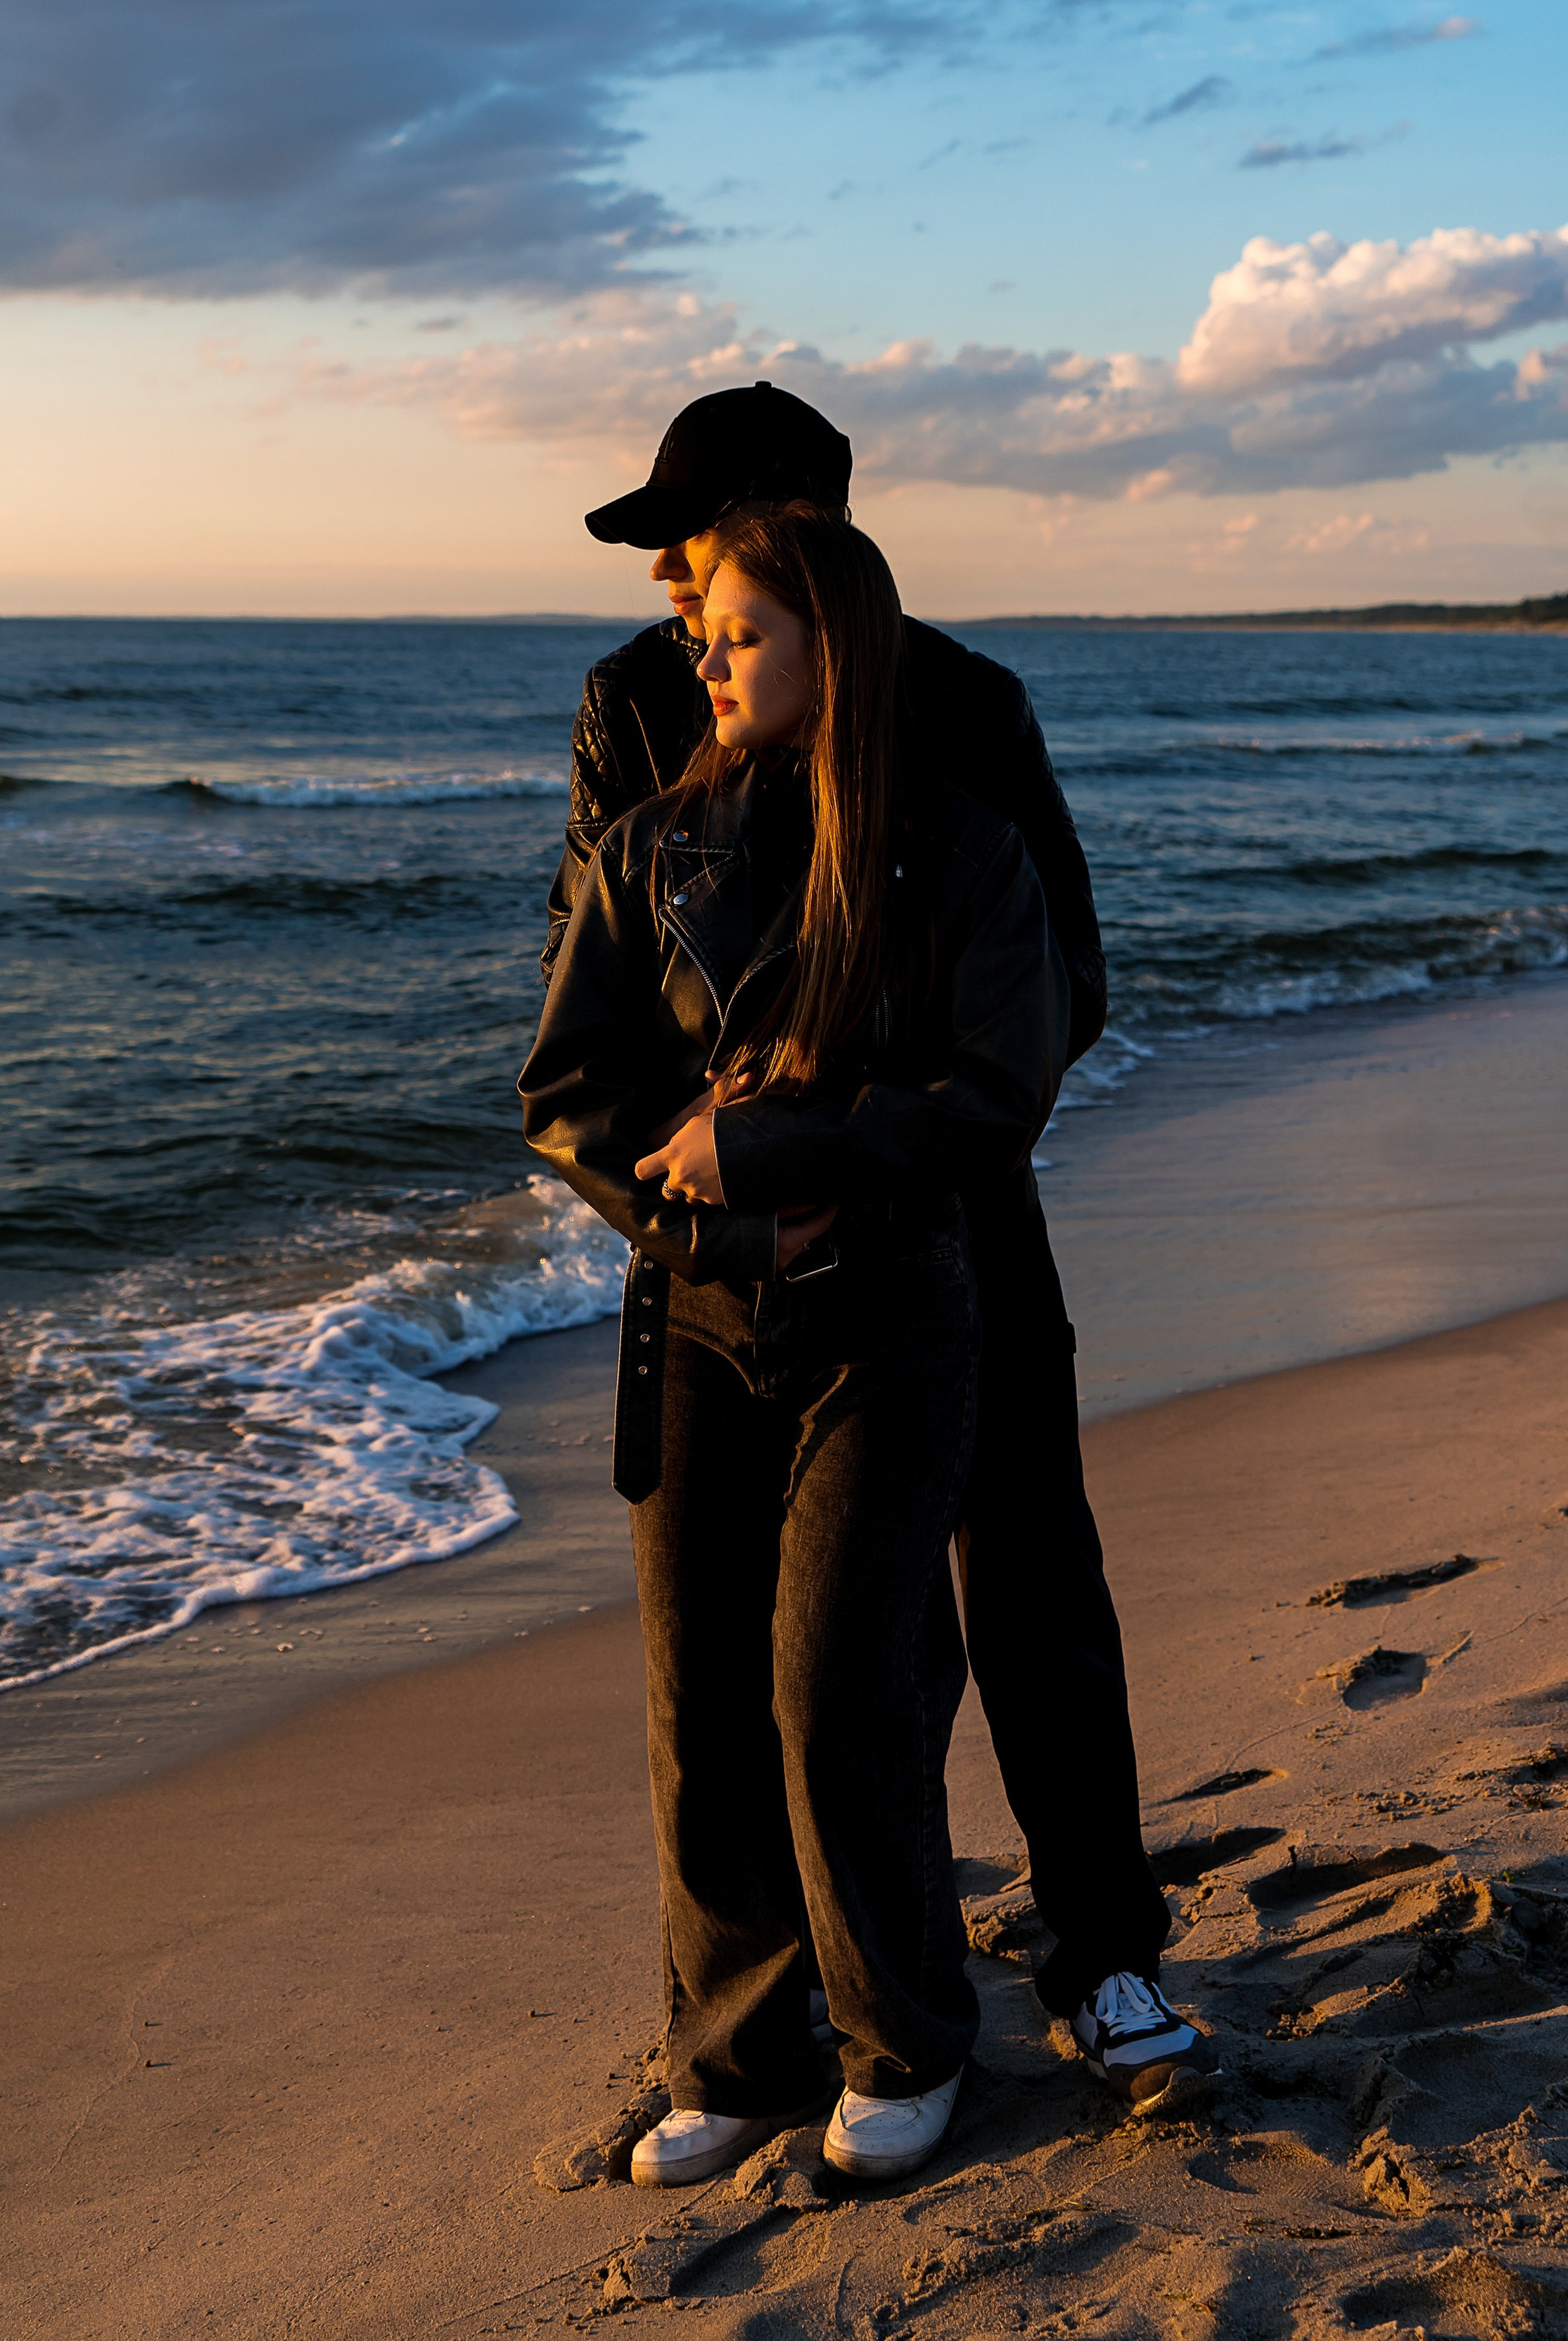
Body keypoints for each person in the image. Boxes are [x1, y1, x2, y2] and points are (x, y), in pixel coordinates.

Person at [543, 383, 1220, 2117]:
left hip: (956, 1231)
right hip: (719, 1267)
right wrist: (720, 1194)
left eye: (685, 546)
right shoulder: (630, 707)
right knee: (771, 1657)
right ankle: (796, 2010)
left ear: (795, 526)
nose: (669, 590)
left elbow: (1060, 985)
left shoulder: (972, 705)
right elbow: (585, 988)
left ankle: (1100, 1948)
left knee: (1029, 1589)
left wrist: (865, 1148)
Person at [521, 506, 1068, 2186]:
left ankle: (906, 2039)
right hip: (692, 1323)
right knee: (701, 1701)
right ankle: (741, 2054)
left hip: (897, 1319)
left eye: (739, 634)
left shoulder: (962, 853)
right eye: (706, 636)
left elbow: (997, 1096)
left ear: (838, 640)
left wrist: (778, 1149)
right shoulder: (649, 849)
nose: (702, 657)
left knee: (838, 1686)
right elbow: (569, 1101)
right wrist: (734, 1211)